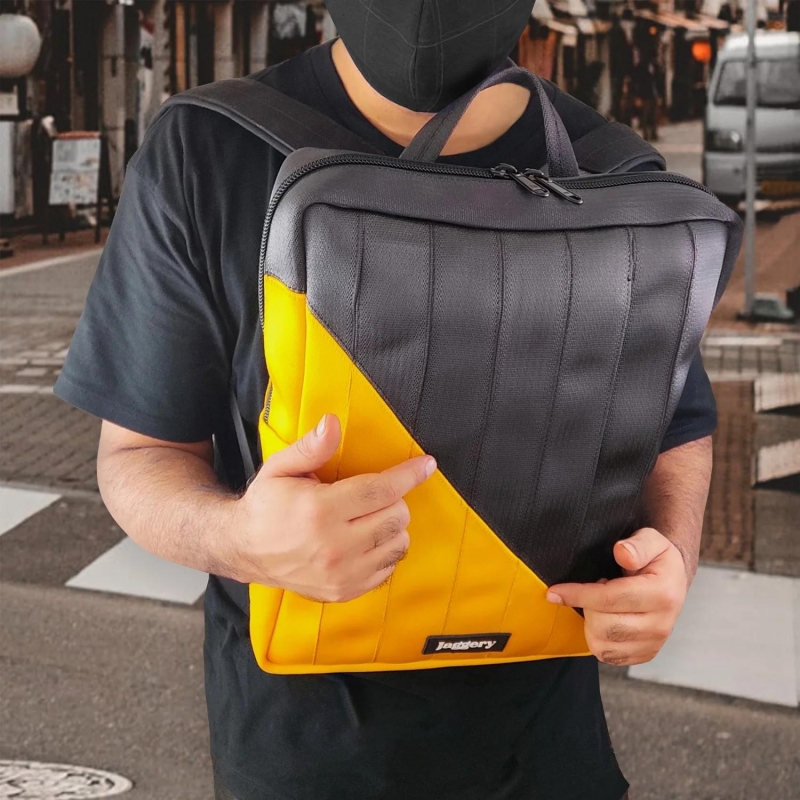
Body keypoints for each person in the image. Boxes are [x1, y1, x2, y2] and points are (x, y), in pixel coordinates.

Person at [55, 2, 717, 798]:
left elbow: (674, 426)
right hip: (298, 762)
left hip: (547, 755)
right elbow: (139, 452)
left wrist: (671, 558)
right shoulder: (206, 150)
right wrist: (242, 539)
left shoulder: (618, 175)